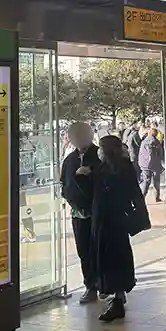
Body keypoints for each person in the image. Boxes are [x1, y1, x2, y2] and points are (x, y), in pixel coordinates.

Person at [89, 135, 150, 321]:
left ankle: (116, 296)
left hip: (107, 220)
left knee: (110, 257)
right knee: (119, 256)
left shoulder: (109, 169)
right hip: (116, 220)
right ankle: (118, 294)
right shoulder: (121, 166)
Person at [61, 122, 101, 303]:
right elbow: (64, 184)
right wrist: (70, 198)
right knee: (83, 250)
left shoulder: (100, 156)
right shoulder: (70, 160)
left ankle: (105, 285)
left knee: (100, 249)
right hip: (78, 213)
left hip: (98, 213)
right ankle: (90, 286)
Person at [138, 126, 165, 203]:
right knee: (156, 181)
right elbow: (160, 154)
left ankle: (142, 197)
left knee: (146, 181)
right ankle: (157, 197)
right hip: (155, 164)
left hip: (145, 165)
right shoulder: (156, 142)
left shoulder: (144, 142)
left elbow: (141, 154)